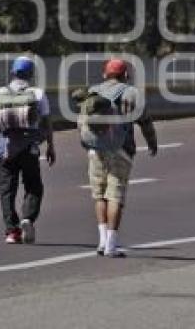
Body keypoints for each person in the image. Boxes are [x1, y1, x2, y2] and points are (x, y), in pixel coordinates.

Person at [75, 58, 158, 257]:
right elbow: (145, 122)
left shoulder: (93, 92)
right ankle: (112, 244)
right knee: (116, 196)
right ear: (125, 75)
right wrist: (152, 143)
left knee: (99, 195)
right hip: (122, 149)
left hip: (96, 150)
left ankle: (102, 241)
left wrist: (90, 143)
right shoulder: (132, 93)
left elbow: (81, 123)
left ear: (105, 74)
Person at [0, 56, 55, 244]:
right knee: (33, 185)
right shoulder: (37, 93)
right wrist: (50, 147)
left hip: (4, 147)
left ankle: (11, 231)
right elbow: (46, 123)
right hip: (29, 147)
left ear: (12, 72)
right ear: (31, 74)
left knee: (6, 190)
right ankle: (27, 218)